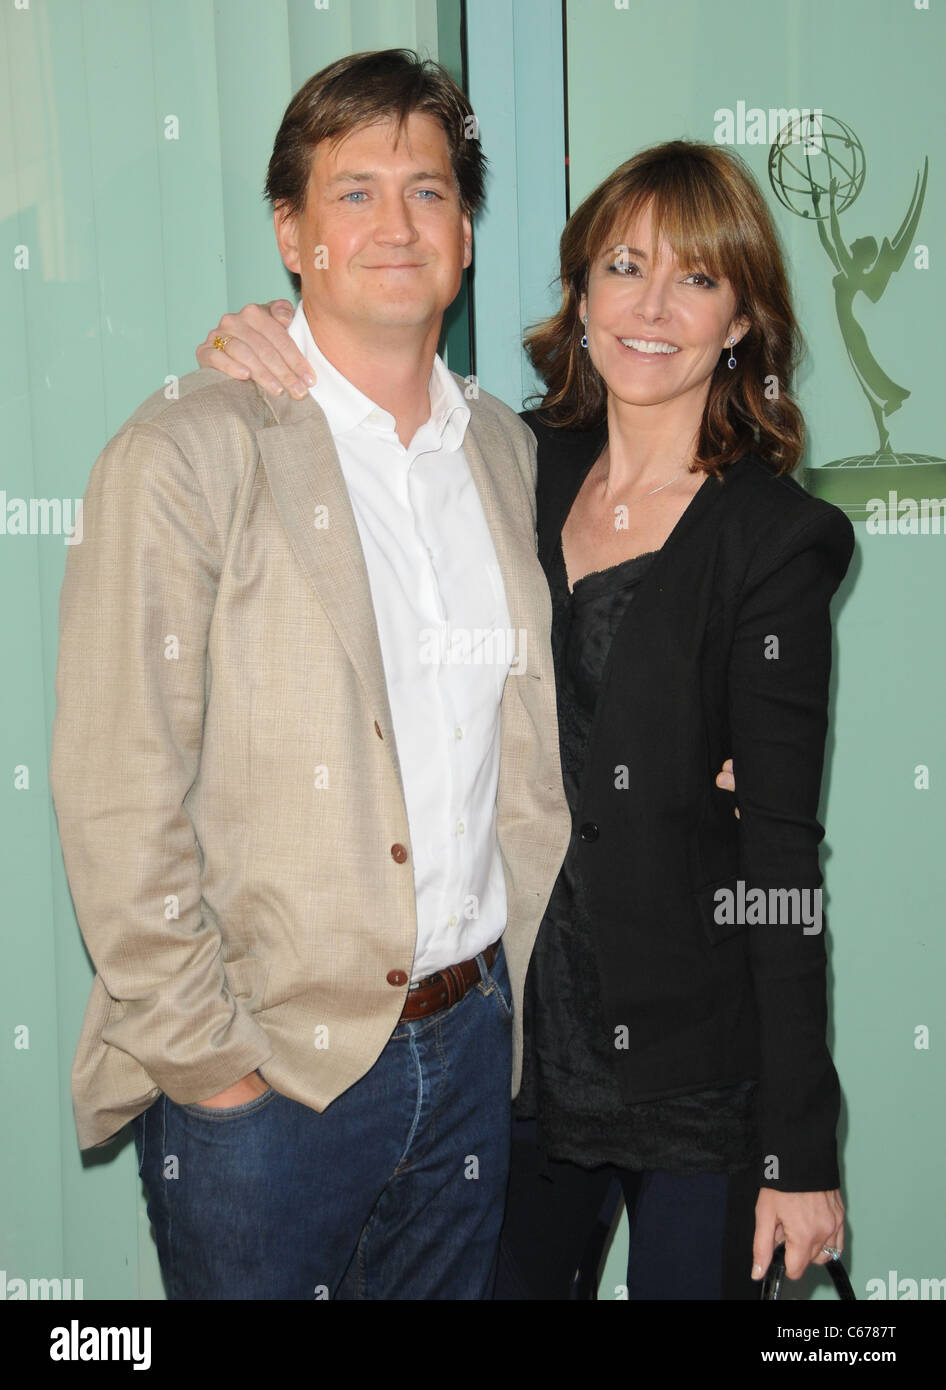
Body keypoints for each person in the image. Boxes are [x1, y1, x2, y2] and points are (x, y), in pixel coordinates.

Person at [203, 139, 851, 1299]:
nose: (651, 307)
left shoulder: (774, 540)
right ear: (580, 290)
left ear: (740, 317)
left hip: (695, 1069)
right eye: (623, 266)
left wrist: (798, 1148)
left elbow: (780, 856)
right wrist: (269, 328)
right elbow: (370, 396)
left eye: (697, 279)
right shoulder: (508, 464)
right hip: (516, 1056)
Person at [49, 49, 574, 1301]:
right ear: (292, 234)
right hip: (269, 1081)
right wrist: (209, 1070)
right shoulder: (190, 449)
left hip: (472, 1059)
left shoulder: (511, 453)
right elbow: (118, 781)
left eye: (431, 190)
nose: (396, 223)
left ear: (464, 233)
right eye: (354, 193)